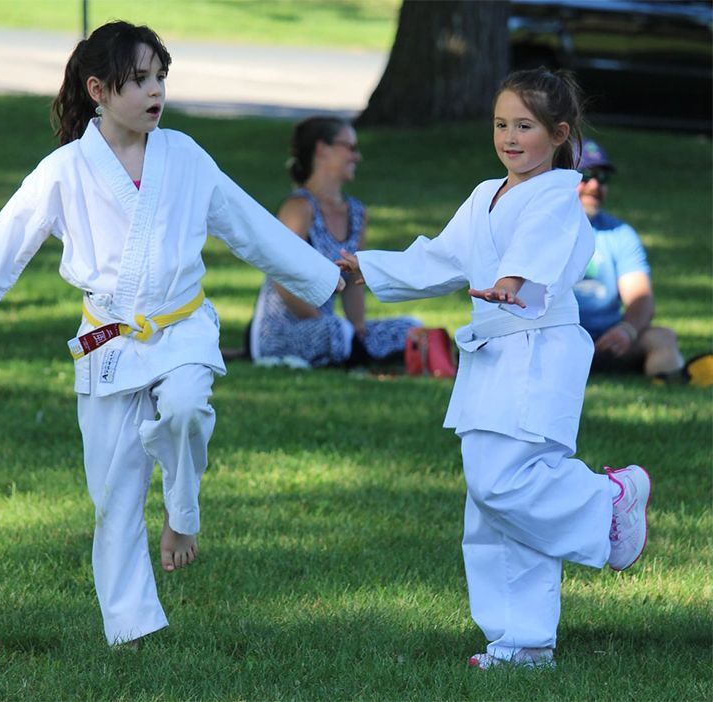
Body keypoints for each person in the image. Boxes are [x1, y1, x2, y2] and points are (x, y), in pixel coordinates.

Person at [0, 21, 343, 647]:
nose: (155, 91)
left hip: (181, 326)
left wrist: (322, 277)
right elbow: (5, 242)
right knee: (113, 493)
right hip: (110, 339)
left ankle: (182, 515)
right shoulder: (64, 170)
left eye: (161, 77)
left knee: (188, 407)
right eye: (139, 79)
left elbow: (248, 225)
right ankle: (132, 628)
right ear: (98, 90)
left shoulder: (187, 157)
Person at [337, 69, 651, 669]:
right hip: (490, 355)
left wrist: (513, 279)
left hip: (539, 353)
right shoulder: (486, 194)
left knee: (504, 484)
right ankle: (523, 641)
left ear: (559, 134)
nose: (510, 137)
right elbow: (442, 257)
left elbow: (542, 254)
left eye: (525, 126)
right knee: (488, 510)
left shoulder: (560, 195)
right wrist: (370, 269)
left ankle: (608, 500)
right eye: (501, 124)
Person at [248, 116, 420, 368]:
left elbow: (353, 283)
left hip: (332, 327)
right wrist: (326, 322)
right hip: (283, 332)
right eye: (350, 147)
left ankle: (357, 351)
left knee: (409, 328)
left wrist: (358, 328)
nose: (357, 157)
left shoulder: (357, 212)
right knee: (336, 330)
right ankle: (357, 354)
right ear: (322, 149)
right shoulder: (299, 207)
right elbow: (282, 280)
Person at [573, 140, 685, 379]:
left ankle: (668, 388)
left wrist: (626, 331)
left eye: (602, 179)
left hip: (607, 342)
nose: (594, 185)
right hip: (554, 339)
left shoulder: (620, 233)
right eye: (585, 175)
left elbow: (640, 298)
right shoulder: (540, 229)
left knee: (663, 338)